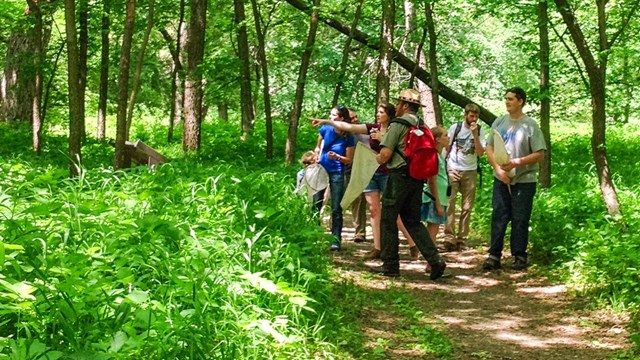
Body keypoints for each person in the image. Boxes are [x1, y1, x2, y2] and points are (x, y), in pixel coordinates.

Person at [312, 104, 414, 261]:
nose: (378, 114)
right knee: (374, 211)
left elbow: (399, 150)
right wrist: (326, 121)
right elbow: (347, 126)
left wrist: (382, 139)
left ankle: (412, 243)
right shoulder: (372, 128)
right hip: (370, 173)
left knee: (393, 213)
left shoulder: (396, 128)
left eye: (381, 112)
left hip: (388, 174)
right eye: (377, 112)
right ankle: (377, 247)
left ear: (389, 114)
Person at [370, 89, 446, 279]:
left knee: (388, 219)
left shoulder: (398, 124)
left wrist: (378, 159)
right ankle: (436, 260)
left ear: (404, 106)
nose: (396, 107)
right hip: (417, 178)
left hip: (399, 177)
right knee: (413, 221)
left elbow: (386, 154)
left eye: (398, 104)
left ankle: (390, 266)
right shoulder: (424, 126)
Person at [483, 87, 546, 271]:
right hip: (501, 178)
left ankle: (519, 255)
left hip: (524, 180)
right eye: (506, 98)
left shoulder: (530, 125)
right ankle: (494, 255)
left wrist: (517, 162)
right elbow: (489, 148)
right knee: (499, 215)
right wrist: (498, 170)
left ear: (520, 101)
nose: (507, 102)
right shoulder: (500, 122)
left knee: (520, 218)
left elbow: (540, 154)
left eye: (510, 99)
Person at [314, 105, 356, 251]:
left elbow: (349, 159)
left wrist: (337, 157)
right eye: (330, 114)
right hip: (321, 170)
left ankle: (336, 240)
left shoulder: (349, 136)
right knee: (316, 203)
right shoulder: (325, 129)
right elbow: (318, 146)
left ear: (342, 118)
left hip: (337, 172)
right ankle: (314, 236)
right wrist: (316, 154)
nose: (330, 117)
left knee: (336, 208)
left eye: (334, 115)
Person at [444, 103, 486, 251]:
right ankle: (449, 238)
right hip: (453, 169)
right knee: (449, 204)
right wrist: (443, 164)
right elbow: (447, 147)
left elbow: (481, 152)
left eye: (476, 116)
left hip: (471, 170)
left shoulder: (480, 131)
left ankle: (462, 239)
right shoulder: (455, 128)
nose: (474, 119)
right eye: (471, 116)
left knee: (467, 207)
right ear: (466, 115)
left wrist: (475, 134)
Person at [422, 126, 449, 245]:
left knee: (435, 227)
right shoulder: (433, 156)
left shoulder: (439, 156)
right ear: (437, 139)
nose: (448, 138)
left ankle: (430, 254)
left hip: (440, 198)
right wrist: (437, 203)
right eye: (445, 135)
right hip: (434, 198)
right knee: (433, 228)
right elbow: (431, 180)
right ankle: (430, 258)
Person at [346, 108, 368, 243]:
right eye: (352, 118)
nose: (355, 120)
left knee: (360, 201)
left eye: (356, 117)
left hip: (363, 171)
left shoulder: (365, 134)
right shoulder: (343, 136)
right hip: (345, 170)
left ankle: (360, 232)